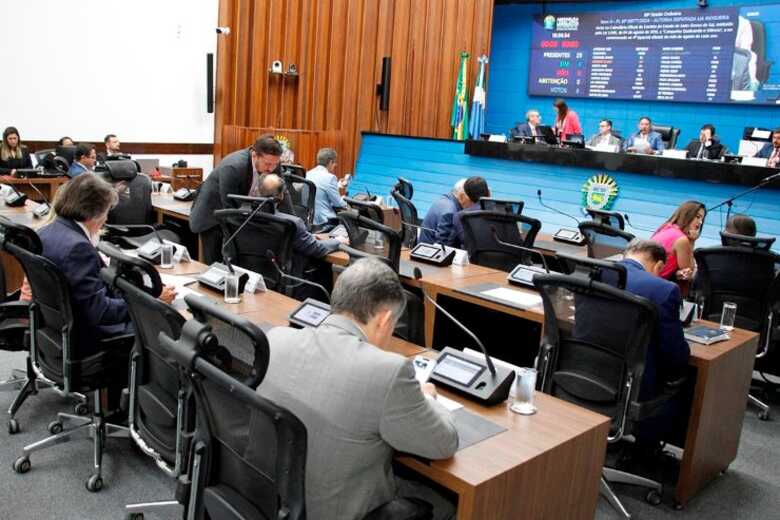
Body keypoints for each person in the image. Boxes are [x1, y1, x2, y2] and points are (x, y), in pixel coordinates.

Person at [258, 258, 459, 520]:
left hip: (271, 501)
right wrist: (429, 398)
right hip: (337, 512)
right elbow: (444, 443)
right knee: (448, 506)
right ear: (385, 320)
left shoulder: (275, 339)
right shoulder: (388, 372)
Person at [36, 174, 176, 353]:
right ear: (94, 213)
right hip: (90, 338)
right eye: (107, 211)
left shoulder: (46, 232)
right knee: (167, 330)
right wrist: (151, 300)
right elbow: (101, 312)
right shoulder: (78, 249)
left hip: (55, 331)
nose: (106, 219)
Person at [619, 239, 690, 447]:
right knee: (687, 379)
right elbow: (675, 355)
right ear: (659, 266)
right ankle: (647, 450)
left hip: (583, 370)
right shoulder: (664, 289)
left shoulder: (597, 271)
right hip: (634, 384)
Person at [190, 135, 284, 264]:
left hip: (237, 215)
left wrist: (297, 226)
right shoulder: (233, 167)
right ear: (255, 155)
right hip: (212, 217)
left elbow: (282, 193)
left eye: (275, 164)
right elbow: (228, 206)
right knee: (214, 267)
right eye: (268, 164)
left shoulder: (272, 163)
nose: (271, 168)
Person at [257, 173, 345, 259]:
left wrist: (307, 236)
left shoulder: (245, 214)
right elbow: (315, 248)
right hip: (284, 270)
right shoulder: (292, 223)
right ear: (281, 196)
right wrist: (338, 241)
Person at [650, 200, 706, 283]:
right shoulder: (682, 240)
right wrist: (692, 241)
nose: (700, 222)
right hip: (655, 285)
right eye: (698, 217)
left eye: (702, 219)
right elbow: (688, 273)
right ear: (687, 215)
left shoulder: (665, 227)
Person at [419, 179, 472, 246]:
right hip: (429, 253)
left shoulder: (445, 199)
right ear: (462, 196)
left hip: (425, 247)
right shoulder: (451, 213)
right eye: (471, 198)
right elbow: (443, 247)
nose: (473, 202)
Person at [306, 147, 347, 229]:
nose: (336, 165)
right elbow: (338, 203)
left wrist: (337, 185)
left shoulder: (308, 173)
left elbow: (320, 189)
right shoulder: (330, 178)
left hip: (309, 219)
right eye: (335, 162)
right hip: (325, 222)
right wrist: (347, 203)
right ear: (330, 162)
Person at [452, 176, 491, 248]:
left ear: (468, 196)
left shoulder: (460, 216)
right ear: (488, 192)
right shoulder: (504, 210)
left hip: (475, 257)